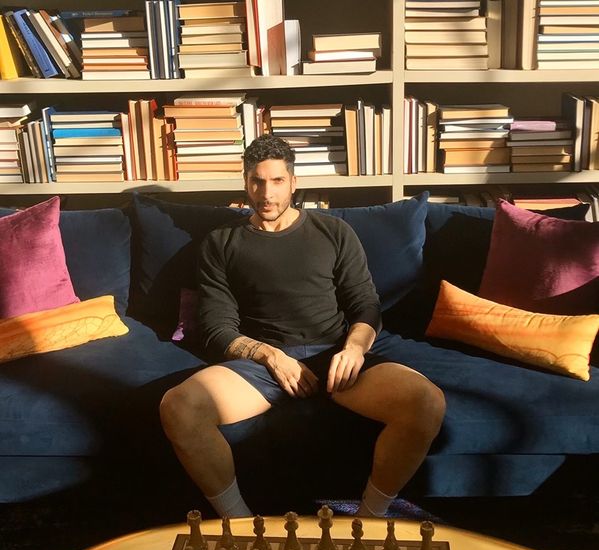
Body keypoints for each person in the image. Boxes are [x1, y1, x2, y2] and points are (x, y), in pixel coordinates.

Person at [160, 134, 445, 518]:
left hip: (335, 355)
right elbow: (216, 327)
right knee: (178, 407)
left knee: (426, 401)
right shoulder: (221, 243)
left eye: (277, 181)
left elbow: (366, 305)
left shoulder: (334, 232)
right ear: (246, 182)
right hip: (262, 367)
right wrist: (271, 356)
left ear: (293, 183)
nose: (266, 194)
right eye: (257, 181)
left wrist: (355, 348)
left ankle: (370, 518)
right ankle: (241, 525)